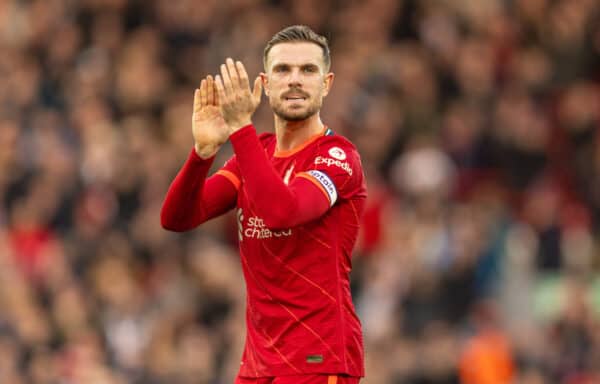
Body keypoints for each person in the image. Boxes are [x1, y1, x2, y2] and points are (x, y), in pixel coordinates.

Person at [161, 25, 367, 384]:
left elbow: (282, 212)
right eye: (283, 70)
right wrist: (202, 153)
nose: (295, 81)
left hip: (318, 357)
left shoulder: (337, 157)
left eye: (308, 70)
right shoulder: (255, 155)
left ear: (327, 83)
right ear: (265, 83)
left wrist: (241, 127)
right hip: (260, 362)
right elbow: (177, 218)